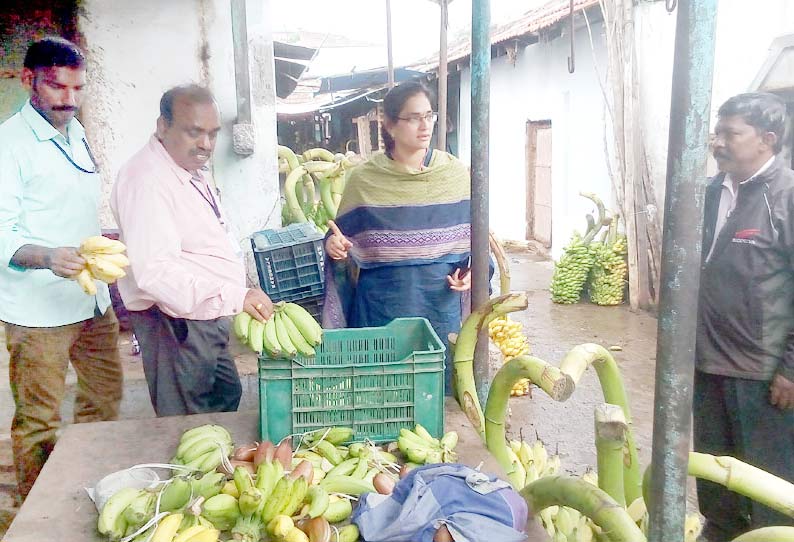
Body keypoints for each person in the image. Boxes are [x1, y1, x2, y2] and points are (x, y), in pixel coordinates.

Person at [0, 37, 123, 500]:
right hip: (36, 313)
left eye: (77, 88)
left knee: (104, 399)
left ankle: (87, 487)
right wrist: (48, 256)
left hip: (89, 298)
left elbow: (68, 206)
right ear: (28, 80)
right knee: (39, 420)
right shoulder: (8, 144)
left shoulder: (75, 131)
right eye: (56, 86)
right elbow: (2, 231)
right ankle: (38, 510)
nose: (69, 99)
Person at [111, 84, 273, 417]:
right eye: (194, 132)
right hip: (174, 321)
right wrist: (233, 296)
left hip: (206, 311)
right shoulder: (147, 181)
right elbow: (155, 272)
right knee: (187, 418)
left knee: (225, 396)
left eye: (213, 134)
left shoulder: (185, 166)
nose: (206, 144)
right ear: (162, 126)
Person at [323, 81, 473, 393]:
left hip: (440, 303)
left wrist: (472, 274)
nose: (425, 126)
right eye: (413, 118)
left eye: (429, 116)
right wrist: (335, 248)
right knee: (381, 389)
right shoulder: (364, 180)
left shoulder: (455, 175)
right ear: (390, 125)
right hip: (382, 305)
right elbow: (340, 238)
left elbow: (475, 242)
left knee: (436, 388)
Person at [695, 92, 794, 540]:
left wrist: (790, 369)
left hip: (761, 373)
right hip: (708, 361)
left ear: (768, 139)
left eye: (731, 134)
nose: (719, 142)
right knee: (716, 478)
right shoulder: (713, 192)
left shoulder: (786, 197)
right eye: (718, 132)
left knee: (768, 485)